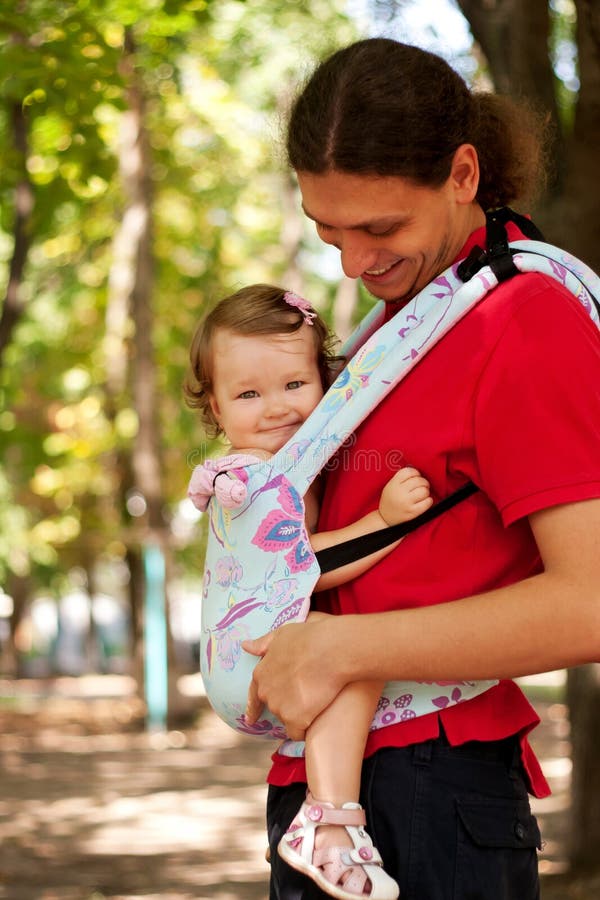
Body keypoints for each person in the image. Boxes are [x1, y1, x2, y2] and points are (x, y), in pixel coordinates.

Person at [241, 38, 600, 900]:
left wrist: (340, 649)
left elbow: (592, 597)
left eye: (380, 228)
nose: (352, 264)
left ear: (464, 175)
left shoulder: (523, 319)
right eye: (327, 231)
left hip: (430, 793)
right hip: (336, 789)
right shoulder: (406, 323)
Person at [185, 283, 433, 900]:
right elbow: (303, 564)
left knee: (356, 658)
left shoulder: (286, 464)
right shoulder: (250, 479)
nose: (276, 408)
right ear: (215, 410)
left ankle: (327, 820)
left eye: (295, 385)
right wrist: (385, 522)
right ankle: (326, 823)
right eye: (247, 394)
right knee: (365, 651)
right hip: (248, 661)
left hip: (252, 651)